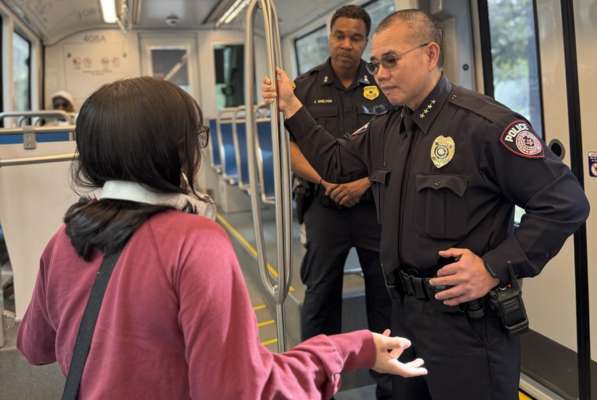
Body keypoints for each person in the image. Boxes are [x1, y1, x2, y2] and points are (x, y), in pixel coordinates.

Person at [16, 77, 427, 399]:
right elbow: (240, 389)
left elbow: (34, 346)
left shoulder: (67, 235)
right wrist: (353, 349)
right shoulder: (195, 242)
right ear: (176, 151)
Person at [263, 9, 590, 400]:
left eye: (390, 61)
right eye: (376, 63)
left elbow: (565, 202)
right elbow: (334, 161)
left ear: (430, 55)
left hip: (465, 327)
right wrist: (292, 107)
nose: (380, 73)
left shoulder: (484, 125)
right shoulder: (387, 128)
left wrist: (494, 265)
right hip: (403, 317)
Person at [289, 6, 392, 397]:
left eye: (355, 37)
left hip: (374, 208)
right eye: (340, 36)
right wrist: (327, 179)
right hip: (324, 206)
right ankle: (316, 385)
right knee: (319, 299)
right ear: (329, 37)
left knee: (384, 298)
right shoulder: (306, 87)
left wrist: (365, 183)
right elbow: (293, 149)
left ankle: (390, 386)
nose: (346, 44)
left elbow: (397, 146)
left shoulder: (383, 83)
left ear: (365, 42)